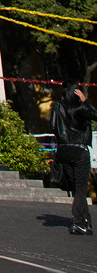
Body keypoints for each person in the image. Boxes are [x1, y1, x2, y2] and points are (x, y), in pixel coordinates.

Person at [52, 80, 97, 235]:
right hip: (79, 151)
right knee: (81, 189)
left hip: (63, 151)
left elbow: (53, 126)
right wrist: (86, 102)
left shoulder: (57, 106)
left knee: (76, 189)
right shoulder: (81, 107)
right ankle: (77, 221)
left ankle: (86, 222)